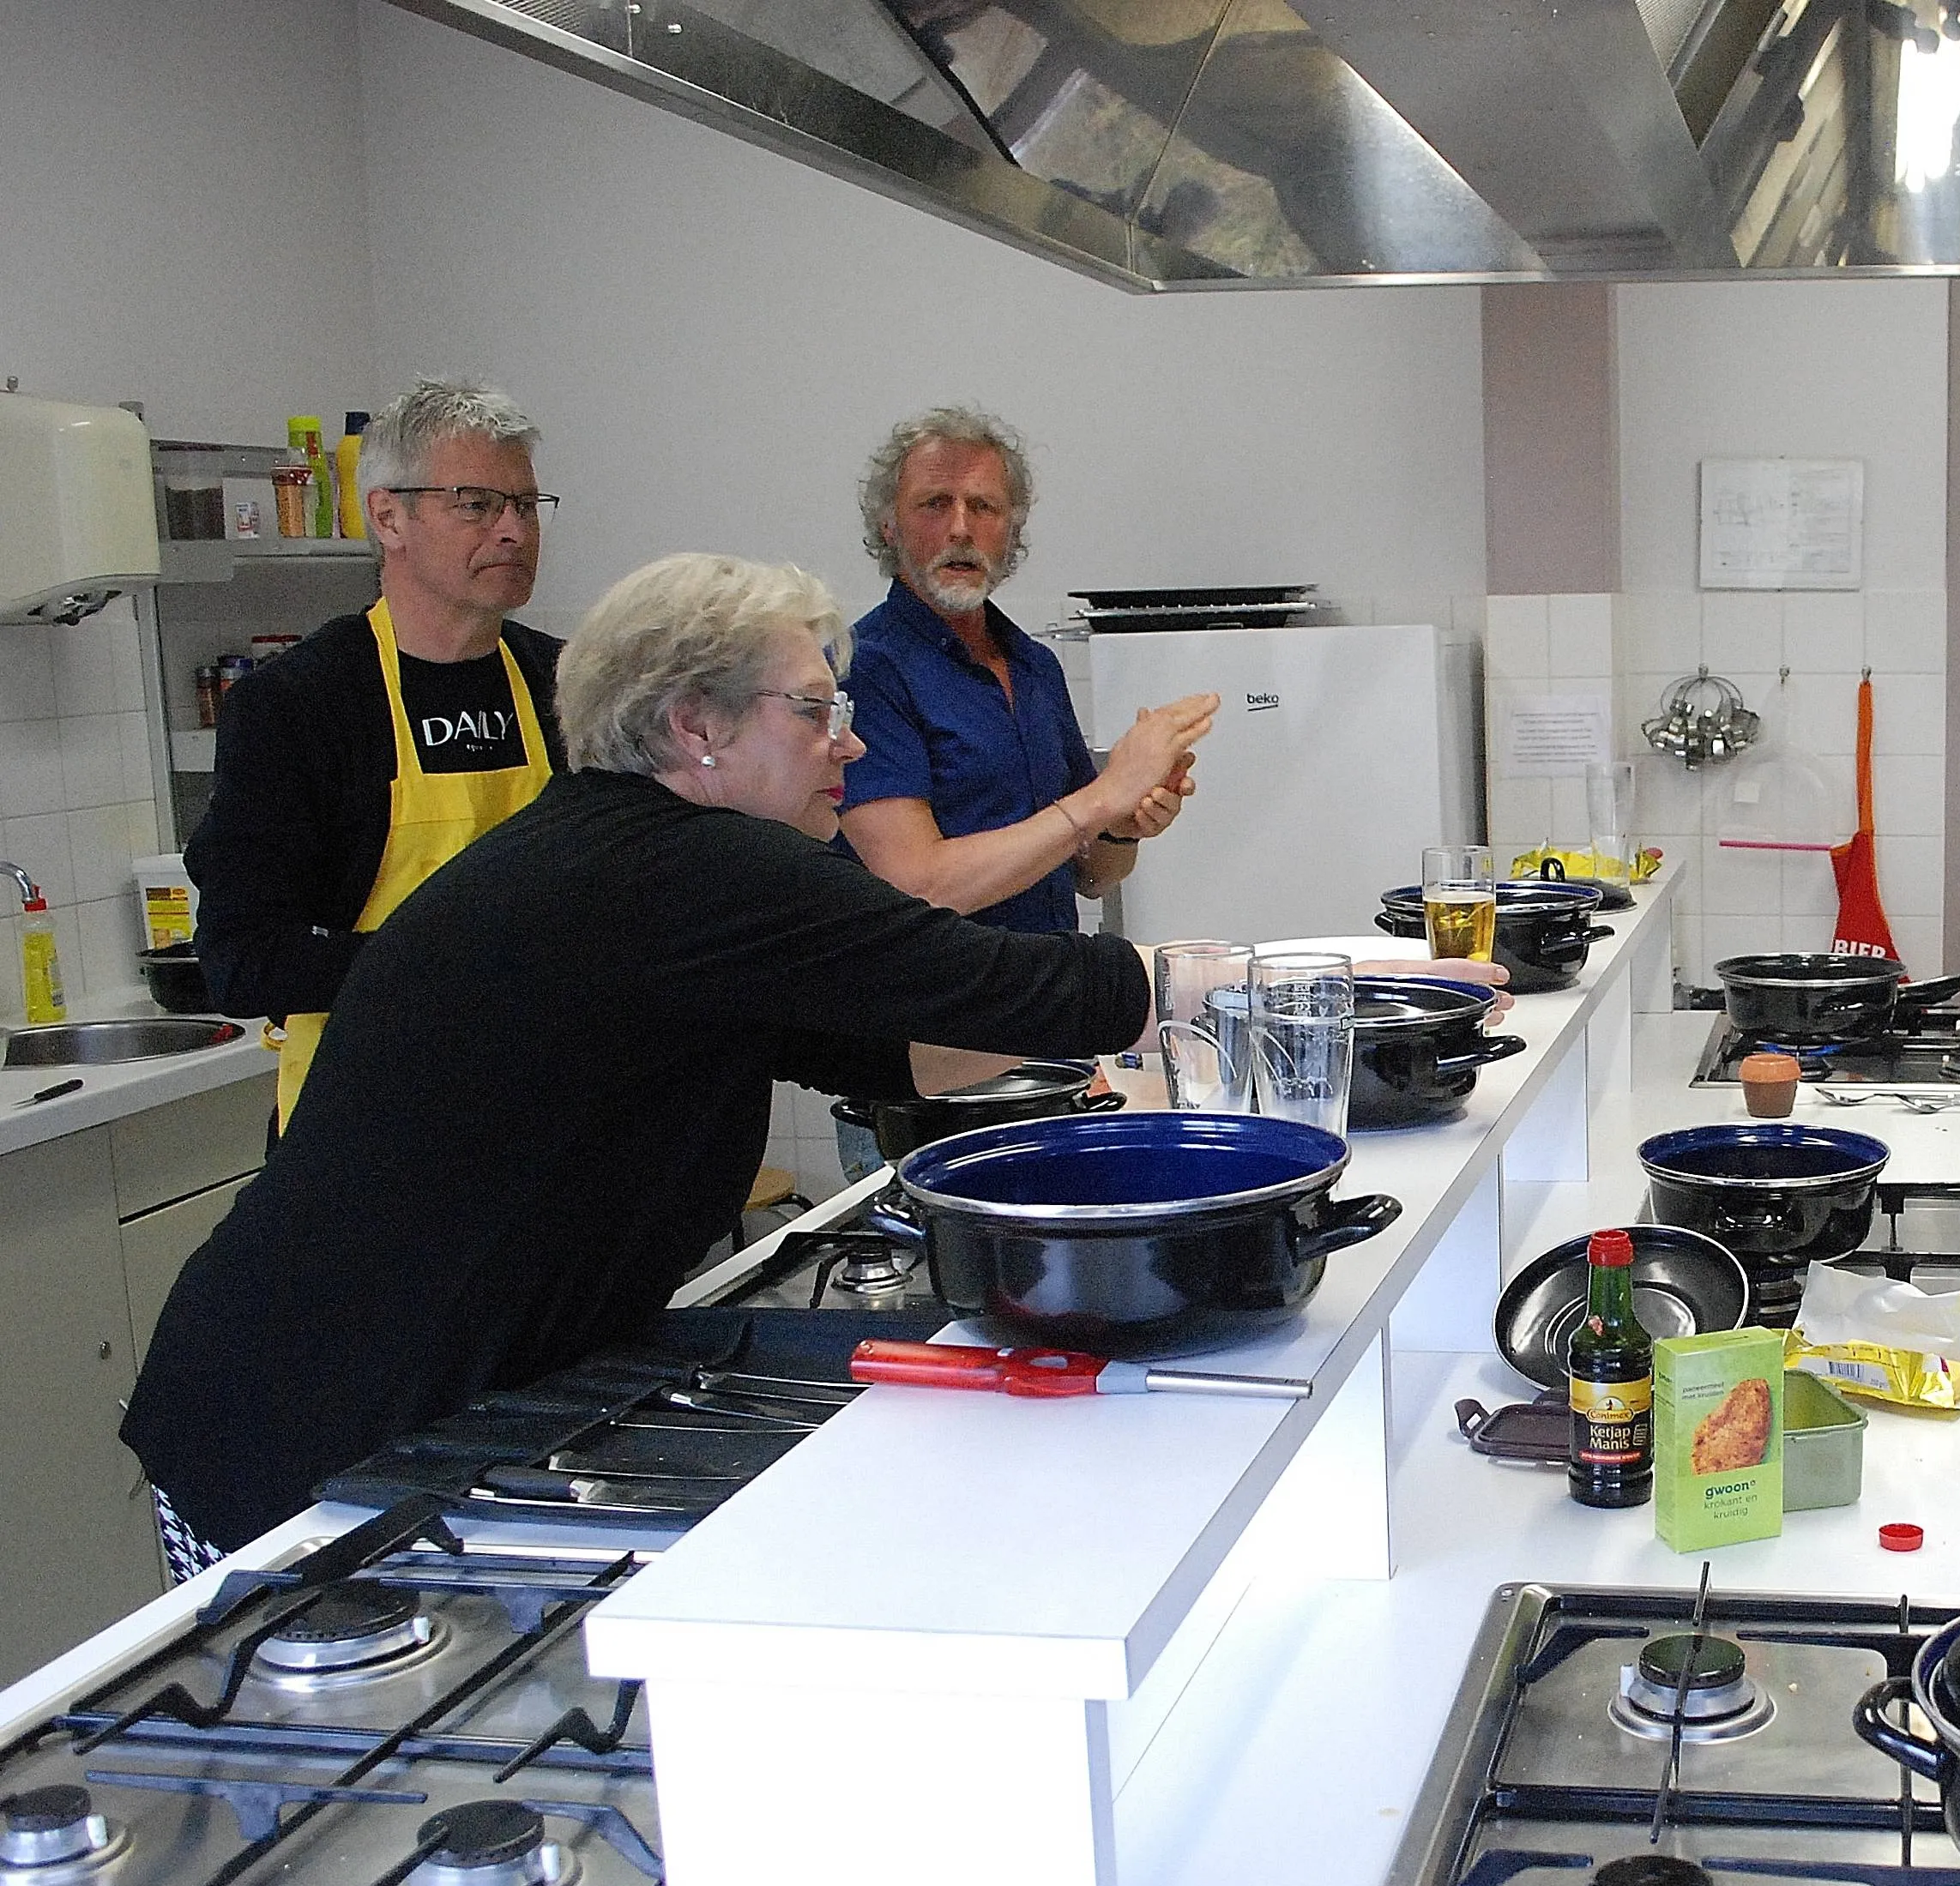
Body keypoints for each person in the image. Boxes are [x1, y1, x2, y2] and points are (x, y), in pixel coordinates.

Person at [123, 552, 1186, 1567]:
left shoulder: (636, 858)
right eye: (816, 711)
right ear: (695, 727)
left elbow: (888, 1045)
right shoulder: (684, 864)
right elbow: (980, 976)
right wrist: (1223, 986)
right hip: (304, 1437)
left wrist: (1140, 1014)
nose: (847, 747)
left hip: (400, 1394)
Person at [187, 379, 566, 1128]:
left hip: (547, 1114)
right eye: (476, 503)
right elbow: (242, 959)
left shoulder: (569, 685)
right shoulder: (300, 705)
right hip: (364, 1129)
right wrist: (468, 967)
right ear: (387, 515)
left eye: (525, 504)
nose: (514, 531)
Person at [840, 406, 1211, 928]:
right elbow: (918, 886)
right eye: (934, 504)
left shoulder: (1034, 665)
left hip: (1046, 985)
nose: (961, 529)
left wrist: (1122, 825)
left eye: (984, 507)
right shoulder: (866, 667)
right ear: (890, 527)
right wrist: (1104, 795)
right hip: (936, 1000)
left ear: (1011, 533)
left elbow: (1091, 876)